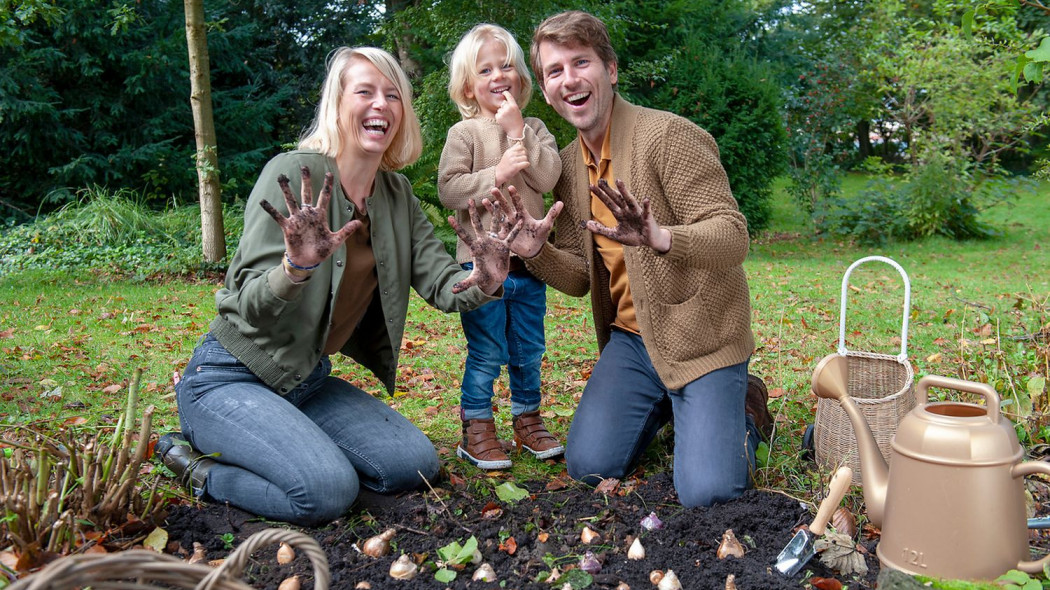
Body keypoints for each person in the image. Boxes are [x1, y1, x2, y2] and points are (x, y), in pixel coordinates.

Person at [156, 46, 528, 526]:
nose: (381, 105)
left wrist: (487, 277)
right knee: (325, 493)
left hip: (306, 383)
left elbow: (441, 283)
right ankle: (198, 468)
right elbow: (243, 304)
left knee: (413, 465)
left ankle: (294, 445)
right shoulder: (293, 175)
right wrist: (294, 268)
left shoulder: (396, 196)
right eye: (365, 92)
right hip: (231, 378)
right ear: (337, 104)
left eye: (392, 95)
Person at [500, 10, 774, 507]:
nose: (570, 80)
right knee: (588, 466)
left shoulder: (668, 137)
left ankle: (746, 412)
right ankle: (674, 408)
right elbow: (584, 278)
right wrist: (536, 252)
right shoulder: (564, 166)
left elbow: (733, 236)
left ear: (611, 69)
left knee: (708, 493)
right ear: (544, 89)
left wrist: (662, 237)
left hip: (701, 338)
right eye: (554, 71)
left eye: (580, 62)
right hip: (631, 343)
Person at [438, 23, 563, 470]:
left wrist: (517, 132)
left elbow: (547, 178)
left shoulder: (534, 126)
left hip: (529, 266)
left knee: (529, 348)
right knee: (488, 351)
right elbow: (449, 190)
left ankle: (527, 419)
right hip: (483, 270)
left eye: (505, 65)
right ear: (469, 86)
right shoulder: (464, 133)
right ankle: (477, 427)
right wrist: (497, 173)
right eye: (485, 69)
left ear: (521, 77)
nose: (497, 76)